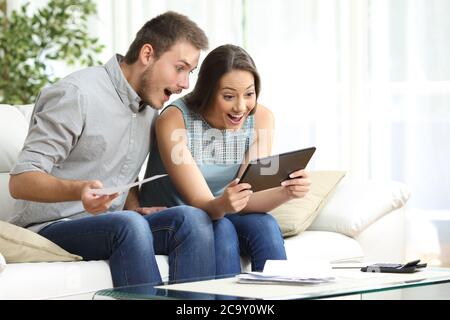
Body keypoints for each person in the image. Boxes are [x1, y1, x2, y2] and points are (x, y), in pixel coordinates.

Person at [8, 11, 222, 287]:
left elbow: (121, 170)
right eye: (179, 68)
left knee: (192, 219)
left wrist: (133, 207)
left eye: (189, 72)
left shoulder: (149, 110)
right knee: (128, 226)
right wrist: (79, 190)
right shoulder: (77, 94)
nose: (185, 84)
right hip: (50, 228)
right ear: (147, 54)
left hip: (112, 224)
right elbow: (21, 180)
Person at [140, 44, 311, 275]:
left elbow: (248, 196)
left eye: (249, 94)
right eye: (229, 96)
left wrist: (287, 191)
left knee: (265, 225)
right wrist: (226, 204)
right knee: (222, 228)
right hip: (179, 218)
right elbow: (200, 204)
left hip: (222, 212)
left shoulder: (261, 118)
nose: (241, 107)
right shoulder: (174, 119)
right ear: (208, 91)